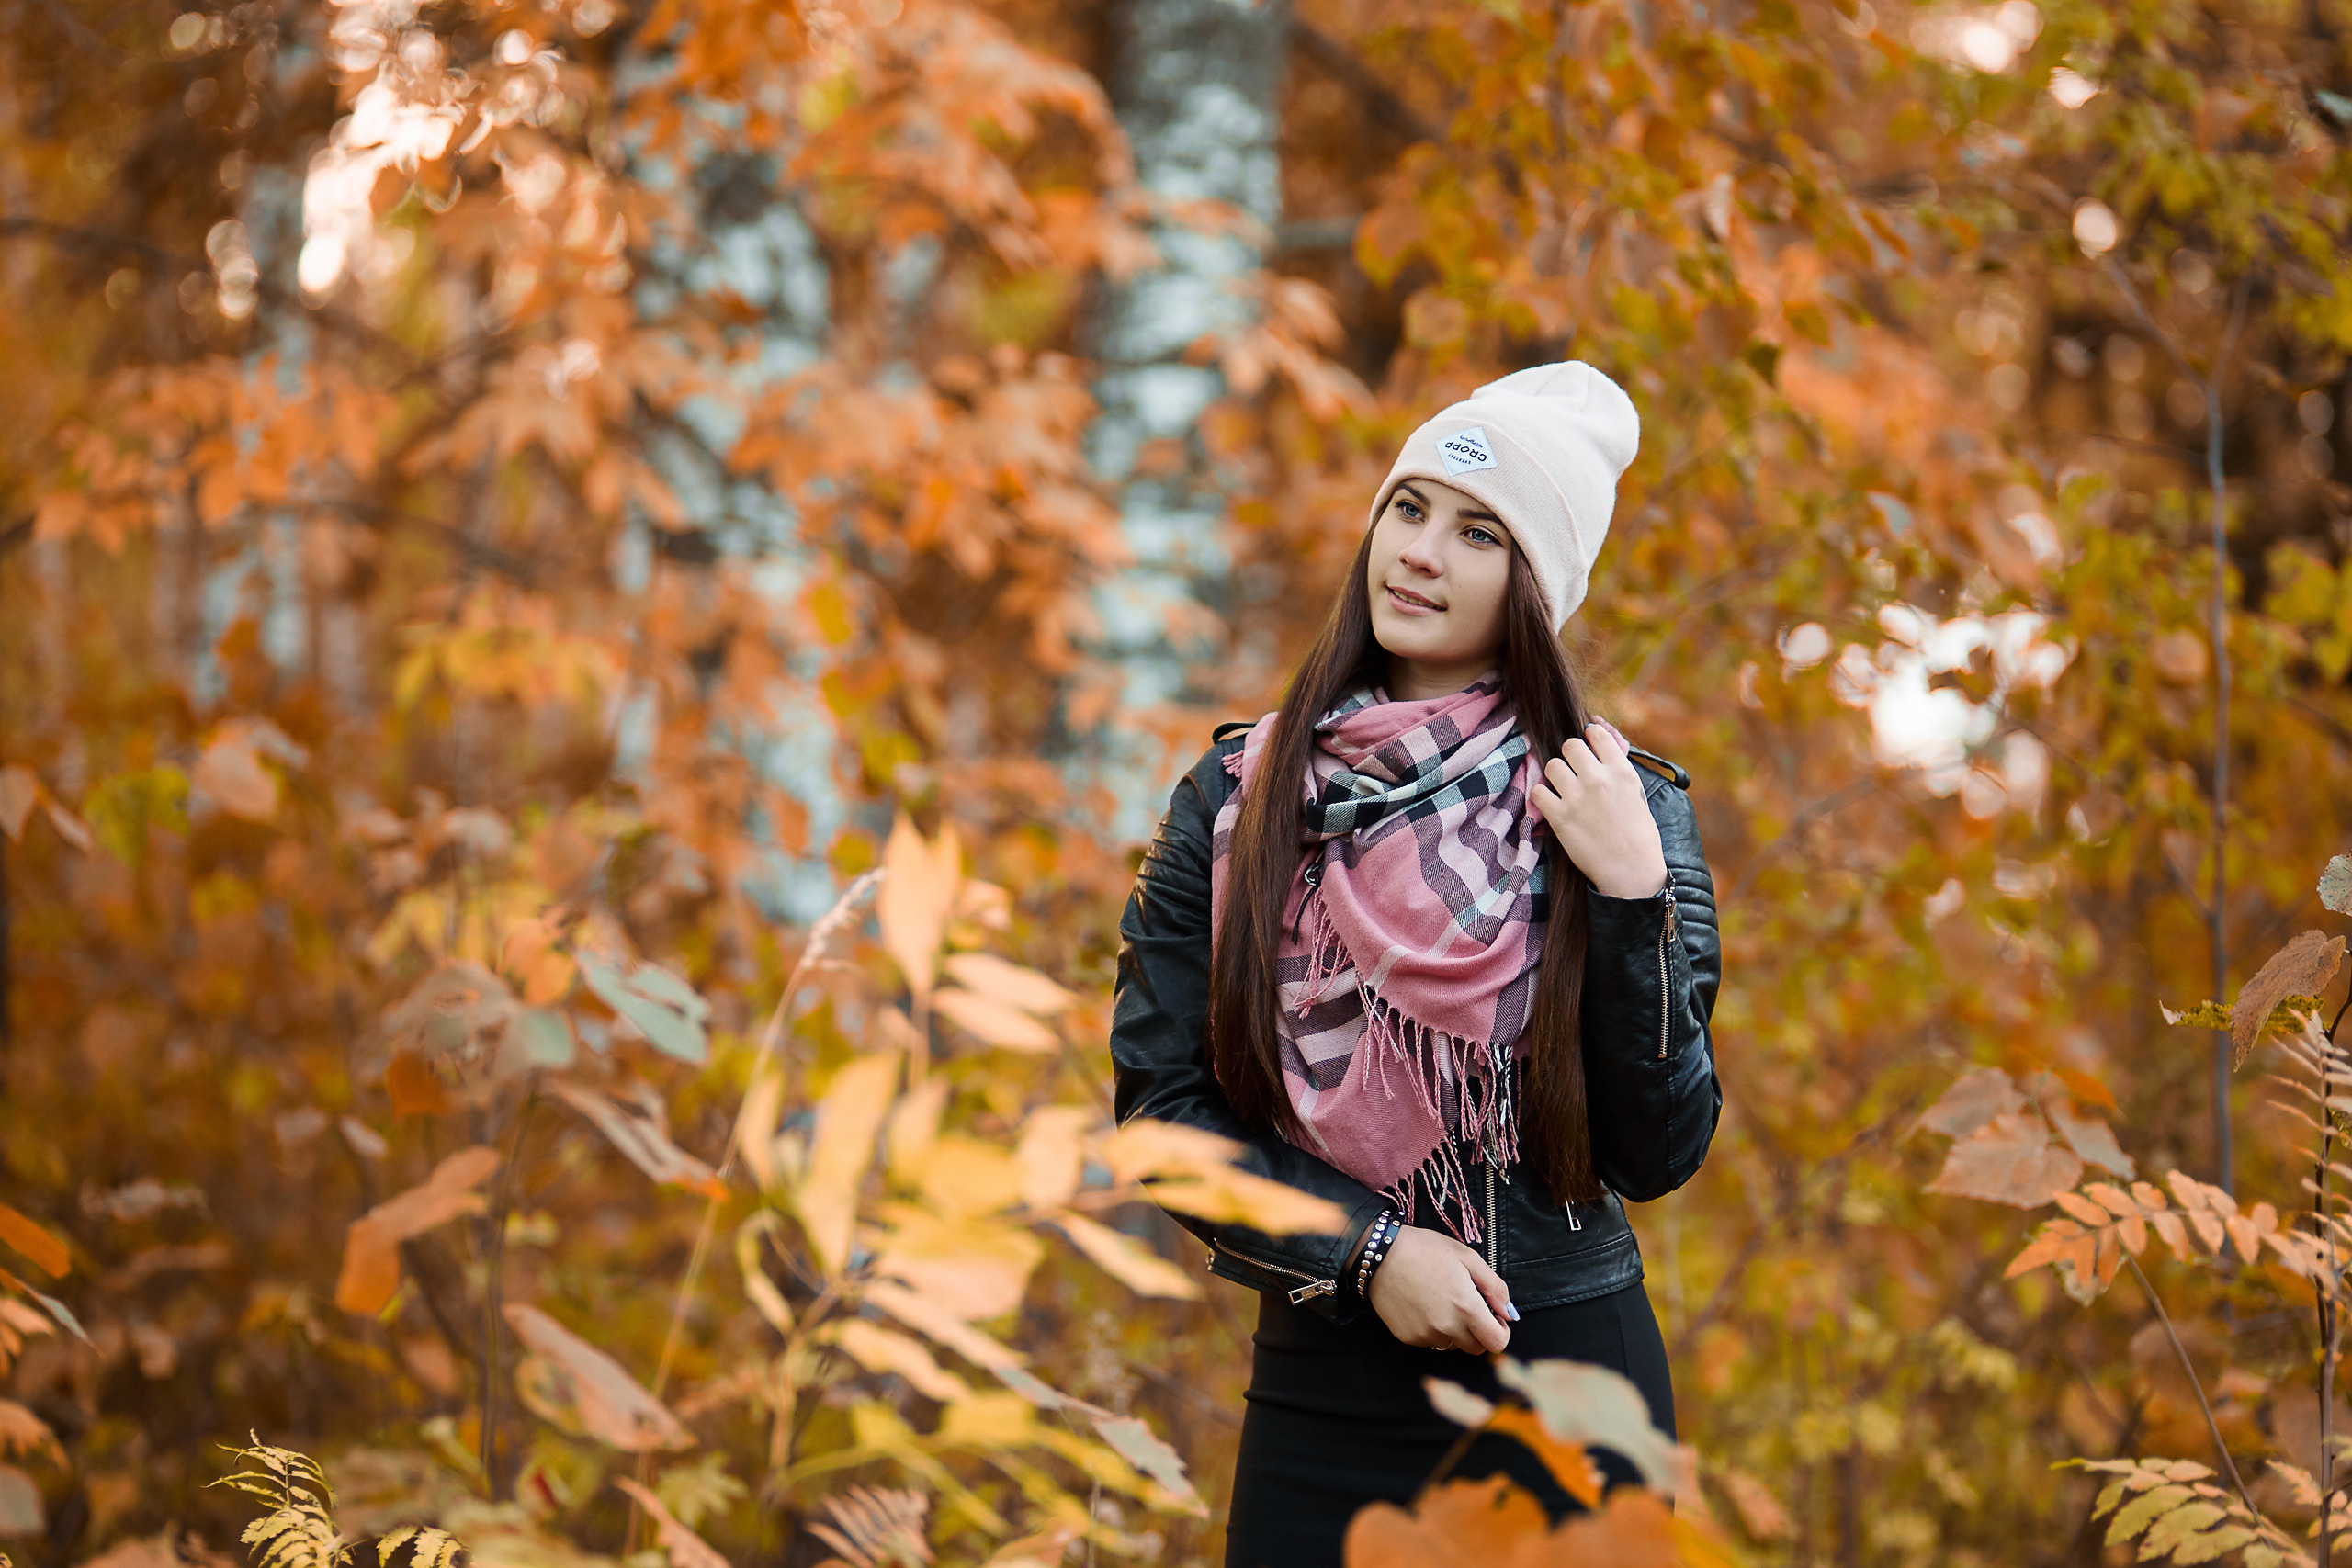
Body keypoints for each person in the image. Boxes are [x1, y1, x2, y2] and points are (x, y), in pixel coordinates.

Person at [1107, 361, 1724, 1567]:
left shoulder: (1620, 804)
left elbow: (1661, 1150)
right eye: (1410, 508)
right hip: (1323, 1397)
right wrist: (1365, 1253)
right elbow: (1160, 1115)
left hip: (1569, 1399)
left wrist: (1631, 895)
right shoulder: (1239, 797)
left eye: (1479, 531)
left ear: (1535, 588)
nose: (1422, 553)